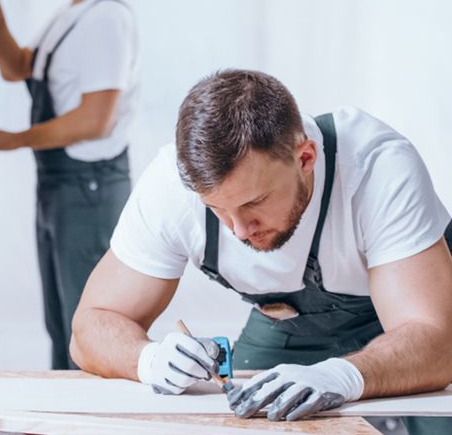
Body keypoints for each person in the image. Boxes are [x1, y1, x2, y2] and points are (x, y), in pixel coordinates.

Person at [71, 69, 452, 432]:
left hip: (419, 316)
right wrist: (147, 359)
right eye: (217, 209)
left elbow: (437, 344)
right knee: (241, 418)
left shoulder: (377, 167)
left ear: (305, 158)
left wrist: (341, 375)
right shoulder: (171, 188)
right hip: (292, 322)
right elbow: (90, 327)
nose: (238, 230)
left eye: (254, 202)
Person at [0, 0, 138, 369]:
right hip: (60, 186)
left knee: (86, 330)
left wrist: (9, 139)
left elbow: (95, 120)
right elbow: (17, 66)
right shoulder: (71, 16)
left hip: (87, 189)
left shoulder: (106, 20)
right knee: (62, 325)